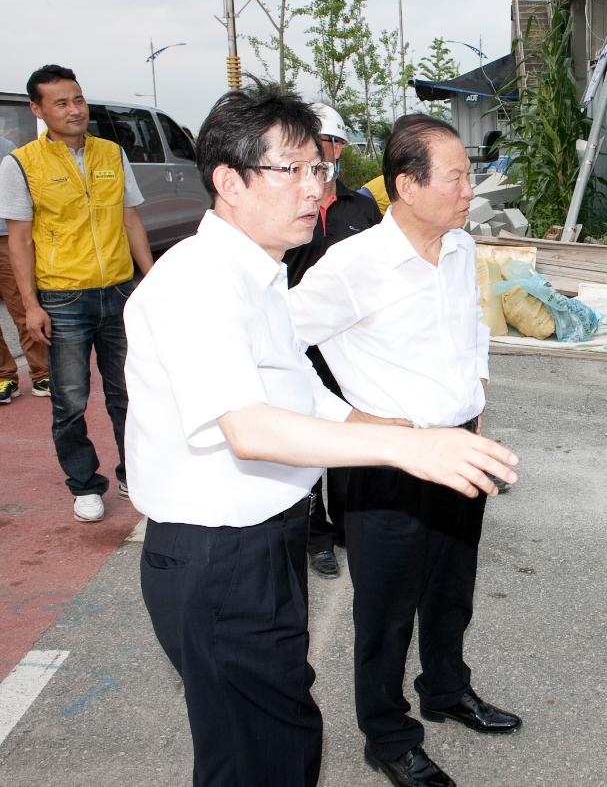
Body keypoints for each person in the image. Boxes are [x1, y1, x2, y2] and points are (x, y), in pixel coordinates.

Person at [125, 85, 517, 787]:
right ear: (229, 180)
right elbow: (247, 425)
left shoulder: (261, 275)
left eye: (320, 170)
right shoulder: (197, 282)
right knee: (255, 755)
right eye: (294, 170)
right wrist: (406, 446)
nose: (316, 189)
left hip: (266, 539)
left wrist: (393, 428)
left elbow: (300, 391)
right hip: (216, 554)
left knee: (284, 737)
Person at [291, 115, 519, 787]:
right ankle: (388, 735)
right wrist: (346, 417)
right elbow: (272, 344)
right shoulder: (354, 266)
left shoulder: (457, 247)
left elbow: (473, 322)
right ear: (406, 186)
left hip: (458, 452)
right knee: (386, 613)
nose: (468, 189)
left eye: (467, 175)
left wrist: (478, 384)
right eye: (456, 177)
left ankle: (446, 690)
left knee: (451, 591)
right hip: (386, 467)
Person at [1, 64, 153, 522]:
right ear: (38, 110)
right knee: (69, 399)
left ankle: (136, 473)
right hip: (63, 299)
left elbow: (130, 221)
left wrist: (151, 279)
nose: (74, 110)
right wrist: (30, 306)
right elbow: (19, 240)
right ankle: (84, 483)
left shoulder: (111, 153)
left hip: (119, 293)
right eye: (61, 103)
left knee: (128, 392)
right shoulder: (21, 164)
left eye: (78, 100)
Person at [282, 103, 381, 579]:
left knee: (347, 436)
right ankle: (315, 535)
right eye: (322, 142)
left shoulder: (361, 208)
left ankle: (345, 525)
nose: (331, 151)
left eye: (336, 143)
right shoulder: (284, 209)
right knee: (305, 442)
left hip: (348, 348)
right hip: (295, 343)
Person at [0, 134, 51, 405]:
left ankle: (42, 373)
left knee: (21, 306)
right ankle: (4, 375)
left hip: (5, 237)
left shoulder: (5, 148)